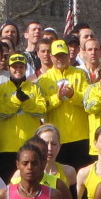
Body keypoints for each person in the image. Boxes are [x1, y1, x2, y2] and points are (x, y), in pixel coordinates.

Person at [0, 54, 47, 182]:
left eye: (21, 66)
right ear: (9, 68)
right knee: (8, 183)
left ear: (26, 68)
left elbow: (42, 111)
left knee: (31, 181)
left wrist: (27, 102)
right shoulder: (1, 89)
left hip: (30, 145)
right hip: (6, 147)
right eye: (14, 67)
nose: (18, 69)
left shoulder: (35, 88)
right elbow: (0, 112)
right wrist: (16, 100)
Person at [37, 39, 90, 169]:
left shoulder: (80, 73)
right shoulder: (44, 79)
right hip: (56, 140)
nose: (60, 59)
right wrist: (57, 98)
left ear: (68, 55)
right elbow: (41, 107)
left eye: (63, 55)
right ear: (51, 57)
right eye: (57, 56)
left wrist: (73, 95)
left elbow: (89, 100)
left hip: (80, 136)